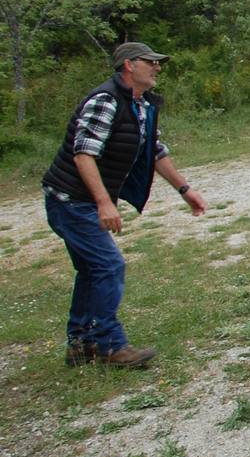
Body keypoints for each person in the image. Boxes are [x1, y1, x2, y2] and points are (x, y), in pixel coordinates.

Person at [43, 42, 208, 369]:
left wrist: (184, 189)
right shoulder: (105, 102)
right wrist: (104, 202)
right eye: (151, 62)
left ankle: (80, 344)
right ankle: (108, 346)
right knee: (108, 266)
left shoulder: (140, 104)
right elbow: (83, 154)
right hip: (70, 201)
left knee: (92, 270)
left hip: (81, 202)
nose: (157, 68)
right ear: (129, 65)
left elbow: (155, 151)